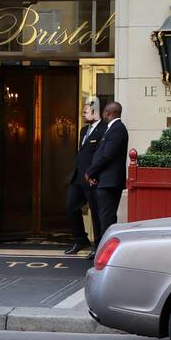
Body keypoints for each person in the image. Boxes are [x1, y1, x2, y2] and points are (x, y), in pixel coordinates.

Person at [85, 101, 128, 259]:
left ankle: (107, 254)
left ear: (108, 113)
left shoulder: (117, 129)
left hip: (109, 183)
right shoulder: (111, 129)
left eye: (104, 112)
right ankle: (101, 250)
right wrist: (95, 175)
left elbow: (107, 155)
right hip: (103, 180)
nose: (102, 114)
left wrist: (91, 172)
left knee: (106, 220)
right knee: (102, 218)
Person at [65, 97, 105, 255]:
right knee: (70, 206)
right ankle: (80, 239)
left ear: (95, 111)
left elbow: (101, 155)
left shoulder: (104, 129)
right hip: (78, 177)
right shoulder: (83, 131)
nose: (83, 112)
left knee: (95, 212)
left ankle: (98, 246)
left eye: (86, 110)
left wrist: (94, 173)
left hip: (92, 177)